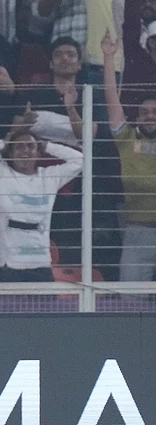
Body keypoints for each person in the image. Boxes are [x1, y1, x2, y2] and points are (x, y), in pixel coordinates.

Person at [0, 106, 83, 283]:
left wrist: (46, 145)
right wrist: (5, 141)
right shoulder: (1, 175)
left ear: (38, 153)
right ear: (11, 154)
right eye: (19, 147)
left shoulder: (49, 177)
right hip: (8, 266)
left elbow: (80, 160)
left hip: (41, 264)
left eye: (31, 147)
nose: (25, 151)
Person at [101, 29, 156, 281]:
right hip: (138, 231)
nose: (150, 116)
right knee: (131, 299)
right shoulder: (127, 140)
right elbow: (112, 100)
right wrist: (109, 57)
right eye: (145, 112)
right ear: (136, 118)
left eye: (155, 111)